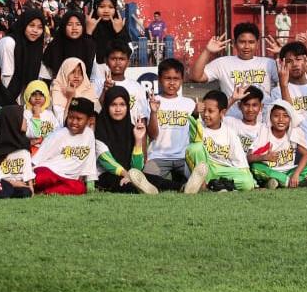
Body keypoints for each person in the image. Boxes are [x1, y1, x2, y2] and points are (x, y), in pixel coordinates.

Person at [184, 90, 258, 193]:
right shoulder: (199, 126)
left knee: (247, 182)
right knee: (195, 148)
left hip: (222, 170)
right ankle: (204, 185)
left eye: (210, 111)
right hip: (204, 168)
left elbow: (240, 161)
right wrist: (195, 113)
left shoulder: (230, 132)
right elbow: (193, 131)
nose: (206, 114)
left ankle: (216, 186)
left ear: (222, 112)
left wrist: (247, 179)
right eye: (204, 110)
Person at [93, 86, 163, 193]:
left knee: (158, 180)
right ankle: (143, 189)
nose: (118, 109)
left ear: (127, 106)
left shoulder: (131, 128)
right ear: (107, 106)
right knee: (125, 186)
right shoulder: (99, 130)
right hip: (105, 175)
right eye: (113, 105)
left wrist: (138, 140)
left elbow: (137, 168)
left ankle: (183, 187)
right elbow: (106, 161)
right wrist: (128, 175)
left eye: (122, 104)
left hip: (129, 173)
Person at [31, 97, 103, 195]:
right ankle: (27, 186)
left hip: (69, 178)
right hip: (51, 171)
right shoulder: (58, 135)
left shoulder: (89, 135)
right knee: (41, 177)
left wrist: (90, 183)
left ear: (89, 120)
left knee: (80, 188)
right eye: (71, 117)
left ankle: (44, 191)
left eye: (79, 119)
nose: (74, 122)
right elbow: (37, 159)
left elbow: (90, 161)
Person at [190, 22, 279, 97]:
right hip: (231, 116)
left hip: (263, 116)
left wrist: (281, 55)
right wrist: (207, 51)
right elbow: (197, 77)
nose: (247, 47)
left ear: (257, 44)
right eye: (242, 42)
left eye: (251, 42)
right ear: (234, 43)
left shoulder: (269, 63)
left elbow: (289, 80)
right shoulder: (222, 63)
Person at [144, 58, 195, 186]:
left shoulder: (189, 104)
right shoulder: (152, 102)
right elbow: (152, 135)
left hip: (183, 158)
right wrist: (154, 112)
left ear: (182, 80)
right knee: (146, 180)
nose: (172, 83)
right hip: (158, 156)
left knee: (199, 179)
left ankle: (180, 182)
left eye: (176, 79)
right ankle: (178, 186)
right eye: (167, 78)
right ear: (160, 80)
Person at [247, 99, 307, 189]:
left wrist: (296, 174)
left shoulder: (294, 131)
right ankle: (297, 182)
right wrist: (264, 157)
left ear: (290, 118)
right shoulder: (263, 131)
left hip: (289, 171)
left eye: (285, 116)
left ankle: (283, 182)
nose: (281, 120)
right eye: (276, 116)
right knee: (255, 167)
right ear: (270, 117)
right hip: (270, 170)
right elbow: (248, 158)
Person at [0, 10, 46, 100]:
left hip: (16, 95)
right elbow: (7, 78)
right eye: (31, 25)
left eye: (40, 27)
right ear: (23, 25)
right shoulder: (9, 43)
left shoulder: (35, 46)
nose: (35, 31)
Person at [41, 11, 97, 81]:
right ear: (64, 26)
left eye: (78, 24)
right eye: (70, 24)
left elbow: (93, 75)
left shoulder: (89, 46)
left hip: (84, 89)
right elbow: (45, 76)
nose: (74, 28)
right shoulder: (55, 45)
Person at [49, 57, 95, 123]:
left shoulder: (88, 90)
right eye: (72, 72)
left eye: (80, 73)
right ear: (65, 73)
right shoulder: (57, 91)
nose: (76, 76)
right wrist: (71, 98)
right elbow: (65, 122)